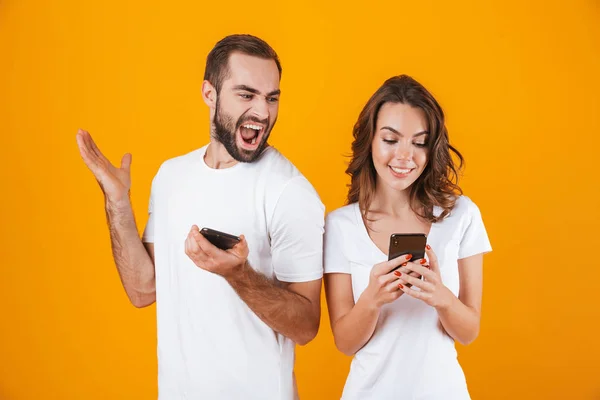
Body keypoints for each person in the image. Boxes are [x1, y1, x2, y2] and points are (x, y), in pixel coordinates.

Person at [76, 34, 324, 400]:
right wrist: (117, 204)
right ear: (210, 94)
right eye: (246, 94)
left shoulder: (289, 191)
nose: (262, 111)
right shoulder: (171, 177)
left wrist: (237, 274)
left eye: (272, 98)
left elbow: (305, 326)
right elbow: (143, 290)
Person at [323, 75, 492, 400]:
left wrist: (440, 296)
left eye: (419, 142)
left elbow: (469, 332)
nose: (405, 156)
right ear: (370, 140)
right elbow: (345, 343)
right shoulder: (340, 225)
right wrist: (372, 298)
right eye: (390, 140)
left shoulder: (461, 215)